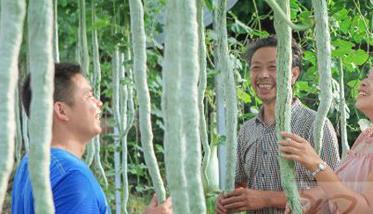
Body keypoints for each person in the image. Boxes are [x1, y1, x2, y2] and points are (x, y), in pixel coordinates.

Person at [12, 63, 172, 214]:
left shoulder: (30, 162)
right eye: (89, 96)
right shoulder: (72, 177)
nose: (99, 103)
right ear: (61, 110)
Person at [215, 36, 340, 214]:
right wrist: (227, 198)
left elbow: (337, 190)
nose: (263, 75)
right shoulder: (246, 130)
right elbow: (241, 183)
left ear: (294, 75)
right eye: (256, 68)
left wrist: (266, 198)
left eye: (273, 67)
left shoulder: (315, 124)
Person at [280, 67, 373, 213]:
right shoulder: (366, 136)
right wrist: (314, 197)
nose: (363, 83)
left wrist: (317, 165)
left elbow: (366, 210)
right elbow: (345, 187)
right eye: (367, 77)